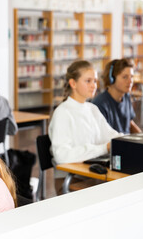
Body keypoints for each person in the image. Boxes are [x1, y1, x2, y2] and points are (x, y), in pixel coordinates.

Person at [48, 60, 122, 194]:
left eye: (94, 81)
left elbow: (110, 134)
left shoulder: (92, 109)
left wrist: (126, 140)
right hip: (71, 179)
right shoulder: (63, 113)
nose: (93, 85)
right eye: (88, 81)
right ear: (73, 83)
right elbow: (62, 156)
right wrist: (103, 148)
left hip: (92, 174)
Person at [92, 59, 142, 134]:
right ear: (111, 79)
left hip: (126, 142)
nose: (130, 81)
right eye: (125, 77)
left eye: (131, 77)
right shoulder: (100, 104)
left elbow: (130, 123)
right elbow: (102, 136)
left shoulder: (126, 96)